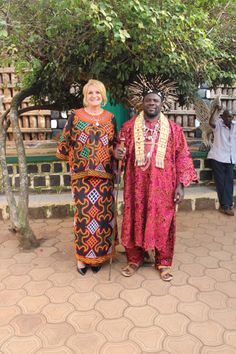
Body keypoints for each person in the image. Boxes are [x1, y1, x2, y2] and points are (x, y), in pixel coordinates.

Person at [115, 78, 197, 281]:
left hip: (164, 187)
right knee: (134, 218)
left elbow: (183, 156)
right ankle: (135, 258)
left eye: (155, 101)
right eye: (148, 100)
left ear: (162, 104)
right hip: (136, 187)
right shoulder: (128, 127)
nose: (152, 103)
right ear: (142, 103)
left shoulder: (174, 130)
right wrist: (117, 153)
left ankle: (164, 261)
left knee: (164, 221)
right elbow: (121, 153)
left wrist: (180, 185)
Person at [56, 79, 117, 275]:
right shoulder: (75, 116)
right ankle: (81, 259)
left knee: (101, 218)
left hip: (104, 178)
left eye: (98, 93)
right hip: (82, 177)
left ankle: (98, 256)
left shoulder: (110, 118)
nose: (94, 96)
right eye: (90, 93)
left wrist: (118, 153)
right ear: (85, 96)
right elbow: (65, 143)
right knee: (83, 218)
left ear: (103, 96)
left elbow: (114, 145)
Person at [207, 109, 236, 216]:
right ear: (222, 117)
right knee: (221, 182)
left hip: (230, 158)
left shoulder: (235, 125)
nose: (229, 118)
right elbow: (211, 122)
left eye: (231, 116)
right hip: (218, 157)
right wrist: (215, 110)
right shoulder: (218, 125)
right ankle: (225, 206)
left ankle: (226, 205)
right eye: (227, 116)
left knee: (228, 180)